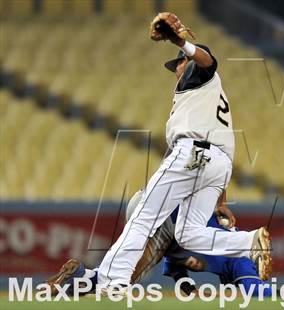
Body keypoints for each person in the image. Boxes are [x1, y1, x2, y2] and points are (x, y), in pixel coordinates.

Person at [96, 12, 271, 289]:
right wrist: (220, 200)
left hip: (192, 154)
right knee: (189, 234)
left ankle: (112, 280)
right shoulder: (204, 95)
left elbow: (209, 61)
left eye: (178, 63)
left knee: (144, 215)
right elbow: (216, 143)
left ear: (187, 62)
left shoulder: (199, 74)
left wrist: (179, 42)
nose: (176, 69)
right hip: (217, 164)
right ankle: (249, 242)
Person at [47, 190, 274, 297]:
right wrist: (282, 295)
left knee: (122, 275)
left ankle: (80, 279)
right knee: (121, 281)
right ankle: (83, 282)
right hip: (171, 217)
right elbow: (255, 290)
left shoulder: (175, 250)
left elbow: (176, 267)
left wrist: (188, 287)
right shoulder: (240, 261)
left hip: (163, 208)